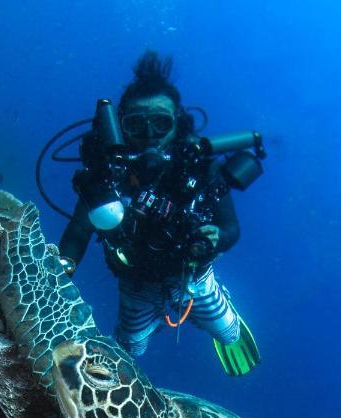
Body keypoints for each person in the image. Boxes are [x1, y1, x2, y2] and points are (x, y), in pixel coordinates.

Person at [58, 51, 259, 375]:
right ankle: (147, 331)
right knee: (130, 348)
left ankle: (224, 323)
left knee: (227, 331)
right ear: (120, 125)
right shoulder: (109, 173)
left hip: (193, 275)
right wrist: (63, 266)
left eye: (161, 122)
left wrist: (216, 238)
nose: (150, 133)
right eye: (137, 124)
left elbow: (231, 227)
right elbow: (79, 230)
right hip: (136, 282)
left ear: (177, 123)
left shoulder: (200, 166)